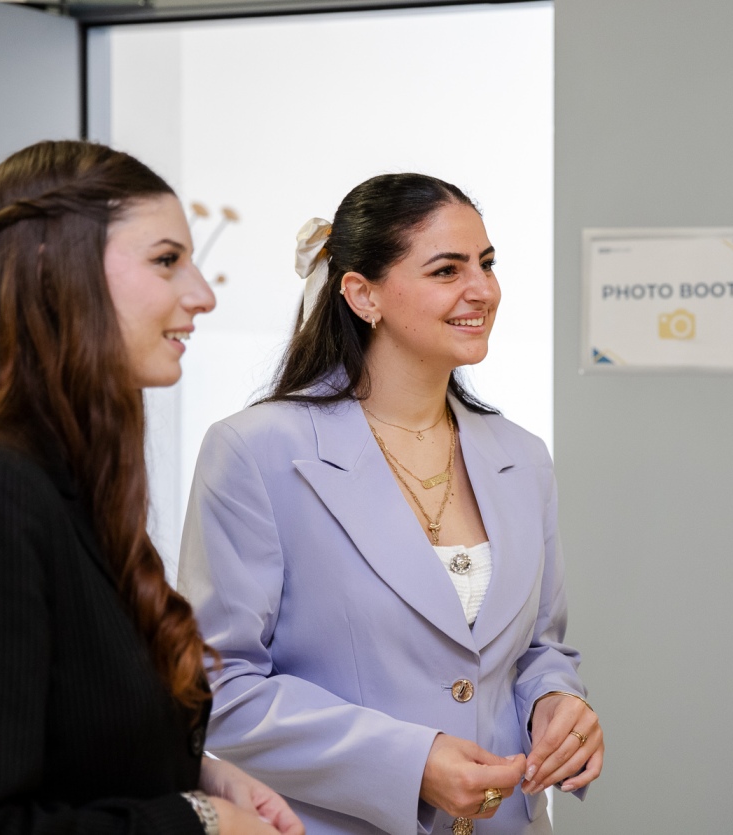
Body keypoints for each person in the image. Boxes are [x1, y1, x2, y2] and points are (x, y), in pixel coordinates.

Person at [0, 140, 303, 835]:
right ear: (51, 268)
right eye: (166, 260)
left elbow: (73, 749)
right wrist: (196, 822)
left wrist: (197, 774)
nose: (203, 294)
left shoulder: (68, 482)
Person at [178, 173, 603, 835]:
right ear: (362, 294)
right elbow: (218, 690)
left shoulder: (522, 457)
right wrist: (412, 762)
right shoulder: (256, 451)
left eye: (487, 264)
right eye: (447, 270)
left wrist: (555, 700)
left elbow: (538, 649)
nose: (482, 290)